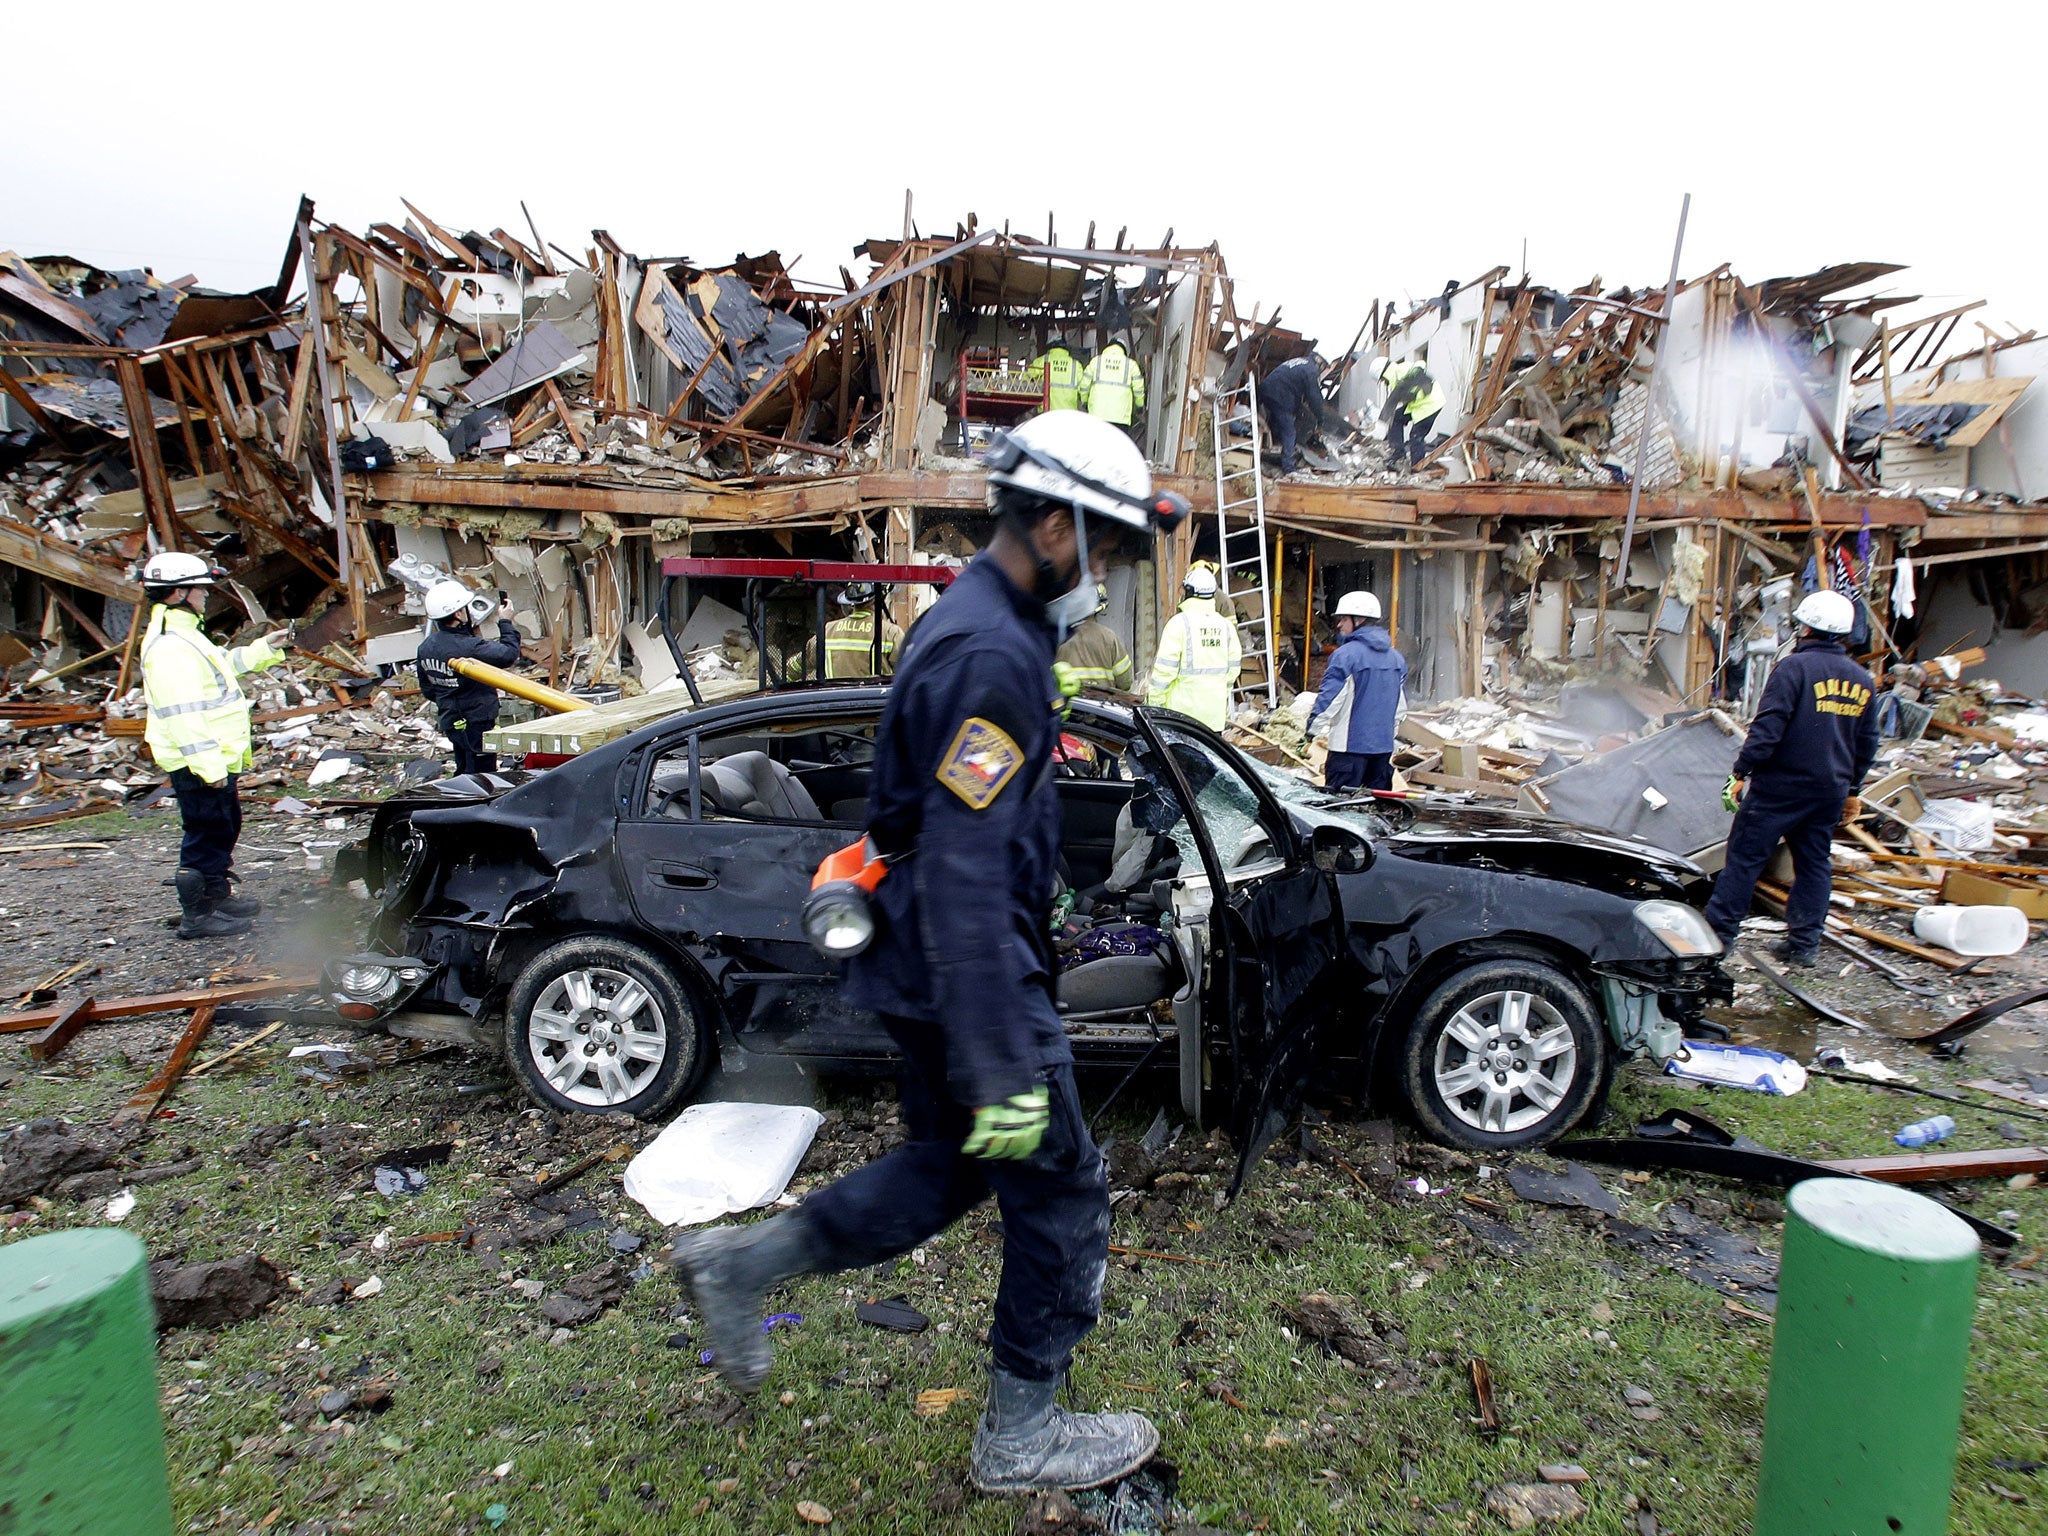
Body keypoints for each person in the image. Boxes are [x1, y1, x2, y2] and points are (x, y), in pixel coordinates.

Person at [672, 410, 1184, 1495]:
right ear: (1053, 526)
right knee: (1061, 1195)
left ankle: (741, 1265)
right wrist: (1002, 1061)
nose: (1112, 575)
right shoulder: (991, 655)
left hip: (933, 974)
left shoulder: (980, 624)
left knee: (943, 1171)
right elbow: (962, 869)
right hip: (974, 989)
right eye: (1113, 549)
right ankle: (1019, 1437)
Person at [1703, 589, 1879, 966]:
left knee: (1745, 861)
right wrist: (1853, 789)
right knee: (1814, 864)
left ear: (1805, 628)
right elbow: (1867, 742)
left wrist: (1741, 771)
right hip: (1829, 791)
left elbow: (1768, 729)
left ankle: (1718, 940)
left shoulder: (1793, 669)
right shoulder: (1862, 679)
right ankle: (1804, 945)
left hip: (1780, 788)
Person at [137, 551, 288, 939]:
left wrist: (264, 649)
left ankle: (217, 897)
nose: (206, 596)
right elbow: (183, 714)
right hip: (201, 763)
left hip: (213, 759)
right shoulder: (171, 645)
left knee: (223, 827)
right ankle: (198, 916)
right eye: (201, 589)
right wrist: (210, 768)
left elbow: (221, 665)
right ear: (177, 593)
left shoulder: (184, 634)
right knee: (205, 834)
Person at [415, 580, 523, 777]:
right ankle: (478, 805)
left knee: (464, 766)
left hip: (451, 720)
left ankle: (461, 800)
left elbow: (428, 689)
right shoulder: (468, 647)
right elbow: (508, 654)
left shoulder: (426, 647)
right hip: (477, 720)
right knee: (482, 774)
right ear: (458, 614)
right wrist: (505, 621)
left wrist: (450, 695)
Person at [1308, 590, 1407, 792]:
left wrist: (1312, 730)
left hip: (1348, 751)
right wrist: (1389, 733)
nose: (1339, 625)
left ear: (1359, 619)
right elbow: (1400, 706)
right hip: (1382, 751)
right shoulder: (1396, 658)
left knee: (1340, 810)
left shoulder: (1345, 656)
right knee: (1377, 810)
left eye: (1343, 619)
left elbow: (1331, 698)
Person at [1144, 562, 1240, 729]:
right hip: (1213, 719)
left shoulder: (1178, 624)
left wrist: (1155, 707)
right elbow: (1232, 673)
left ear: (1188, 592)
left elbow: (1163, 674)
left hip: (1181, 718)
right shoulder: (1227, 627)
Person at [1054, 583, 1134, 695]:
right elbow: (1125, 682)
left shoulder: (1057, 638)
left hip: (1069, 707)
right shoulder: (1109, 637)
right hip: (1102, 707)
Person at [1259, 354, 1324, 475]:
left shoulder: (1301, 361)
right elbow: (1315, 398)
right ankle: (1288, 468)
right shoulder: (1311, 370)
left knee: (1277, 421)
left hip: (1267, 390)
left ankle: (1270, 452)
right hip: (1279, 395)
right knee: (1289, 431)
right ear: (1320, 361)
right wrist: (1320, 420)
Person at [821, 584, 904, 679]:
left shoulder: (828, 630)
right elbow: (907, 672)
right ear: (878, 600)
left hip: (834, 693)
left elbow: (803, 661)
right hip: (875, 693)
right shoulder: (891, 632)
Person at [1375, 355, 1444, 468]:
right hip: (1419, 405)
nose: (1383, 382)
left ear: (1384, 373)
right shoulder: (1398, 374)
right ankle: (1398, 451)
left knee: (1416, 435)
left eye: (1382, 379)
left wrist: (1380, 423)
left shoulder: (1401, 373)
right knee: (1396, 417)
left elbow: (1393, 399)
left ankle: (1417, 466)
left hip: (1431, 405)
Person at [1083, 335, 1146, 442]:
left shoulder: (1096, 361)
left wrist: (1084, 401)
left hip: (1097, 416)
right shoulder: (1130, 365)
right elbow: (1139, 388)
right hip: (1121, 418)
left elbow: (1084, 385)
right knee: (1116, 450)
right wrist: (1139, 406)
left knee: (1096, 449)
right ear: (1123, 350)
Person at [1025, 336, 1087, 413]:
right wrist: (1085, 404)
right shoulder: (1076, 365)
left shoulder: (1043, 360)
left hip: (1047, 409)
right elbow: (1083, 388)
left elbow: (1026, 379)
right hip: (1069, 411)